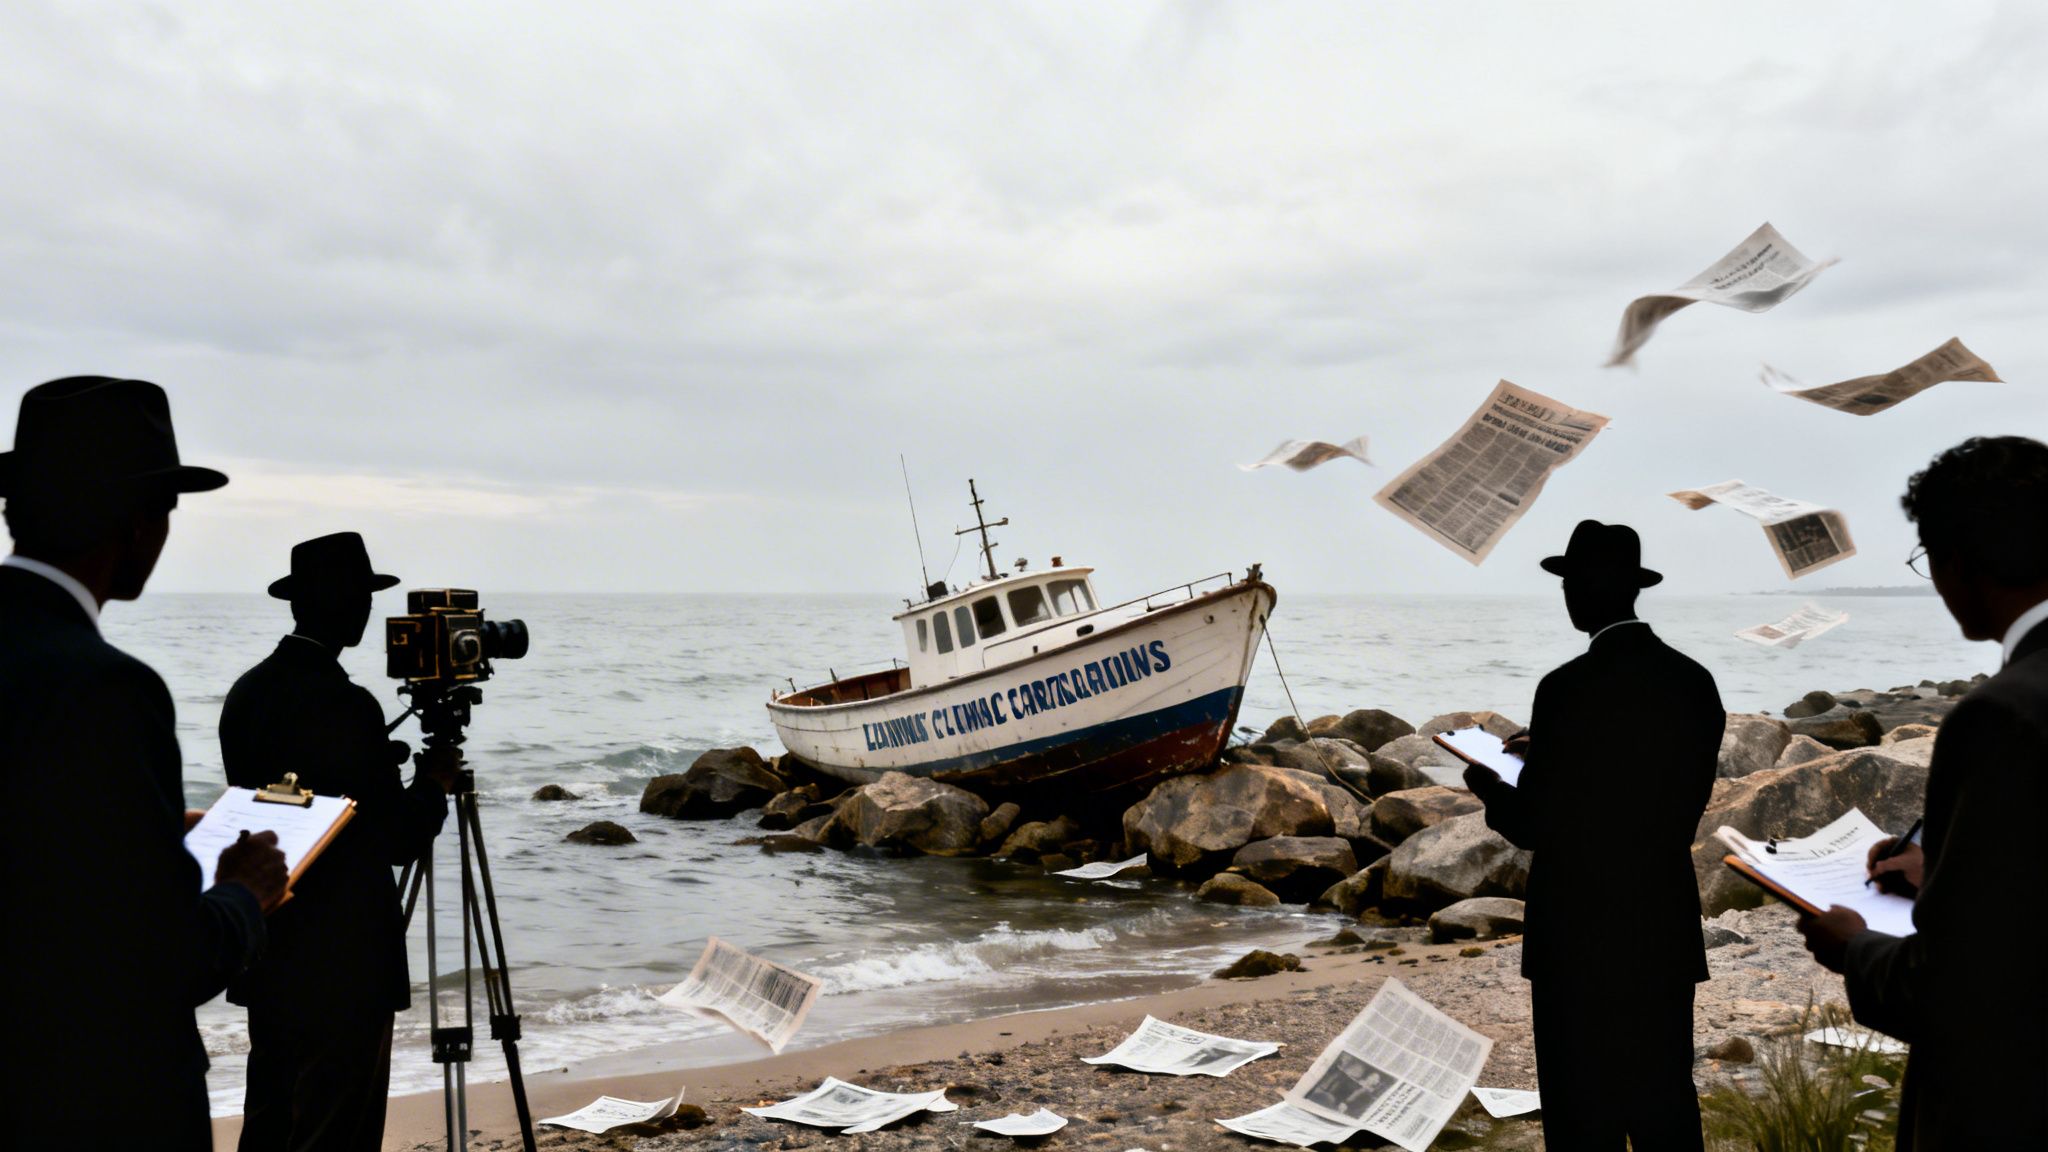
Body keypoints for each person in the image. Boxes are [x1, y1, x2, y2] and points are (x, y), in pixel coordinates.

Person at [1, 378, 288, 1150]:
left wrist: (156, 833)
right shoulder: (109, 688)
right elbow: (162, 961)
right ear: (135, 524)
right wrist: (243, 895)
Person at [1796, 435, 2048, 1150]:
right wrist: (1940, 871)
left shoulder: (2000, 715)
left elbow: (1957, 989)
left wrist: (1854, 948)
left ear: (1954, 562)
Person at [1462, 519, 1724, 1151]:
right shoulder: (1695, 683)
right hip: (1660, 920)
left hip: (1575, 931)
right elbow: (1648, 786)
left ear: (1578, 593)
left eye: (1569, 585)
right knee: (1665, 1098)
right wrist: (1543, 751)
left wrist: (1490, 785)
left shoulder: (1564, 690)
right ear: (1633, 590)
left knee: (1582, 1109)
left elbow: (1534, 824)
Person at [220, 532, 457, 1152]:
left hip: (270, 940)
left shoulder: (248, 693)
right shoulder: (346, 704)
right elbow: (395, 836)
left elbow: (295, 801)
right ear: (343, 603)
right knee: (337, 1130)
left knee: (270, 1118)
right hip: (345, 959)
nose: (367, 610)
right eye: (362, 597)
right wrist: (430, 786)